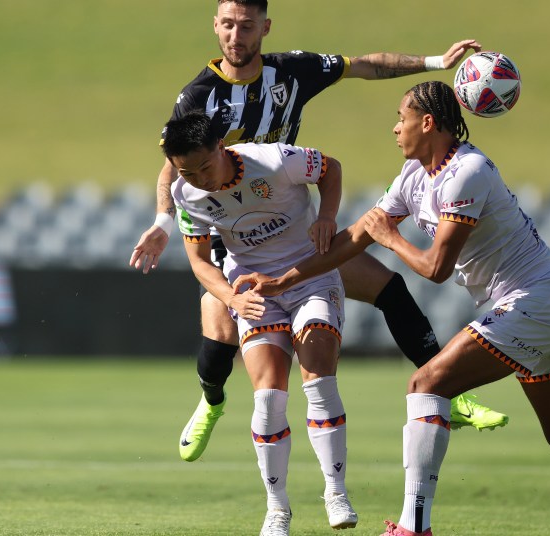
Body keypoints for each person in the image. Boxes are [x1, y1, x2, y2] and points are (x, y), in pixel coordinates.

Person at [233, 81, 550, 536]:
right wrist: (283, 279)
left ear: (427, 123)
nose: (395, 128)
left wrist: (391, 238)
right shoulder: (413, 175)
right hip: (534, 303)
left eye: (401, 118)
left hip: (536, 299)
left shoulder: (469, 171)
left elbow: (435, 268)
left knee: (426, 384)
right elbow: (354, 238)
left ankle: (413, 526)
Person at [128, 0, 508, 464]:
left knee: (390, 289)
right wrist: (163, 221)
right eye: (227, 25)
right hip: (240, 243)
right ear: (215, 26)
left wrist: (434, 63)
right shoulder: (198, 96)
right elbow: (174, 166)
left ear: (265, 27)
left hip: (296, 232)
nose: (235, 36)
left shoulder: (292, 71)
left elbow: (365, 65)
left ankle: (451, 393)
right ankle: (211, 401)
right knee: (218, 342)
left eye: (246, 26)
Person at [163, 109, 358, 535]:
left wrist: (327, 217)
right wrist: (231, 297)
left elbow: (331, 168)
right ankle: (277, 510)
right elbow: (200, 262)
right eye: (187, 172)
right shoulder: (185, 194)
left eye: (205, 166)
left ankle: (335, 491)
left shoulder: (274, 160)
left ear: (221, 146)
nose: (200, 179)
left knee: (318, 379)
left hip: (309, 278)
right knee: (268, 397)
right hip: (254, 291)